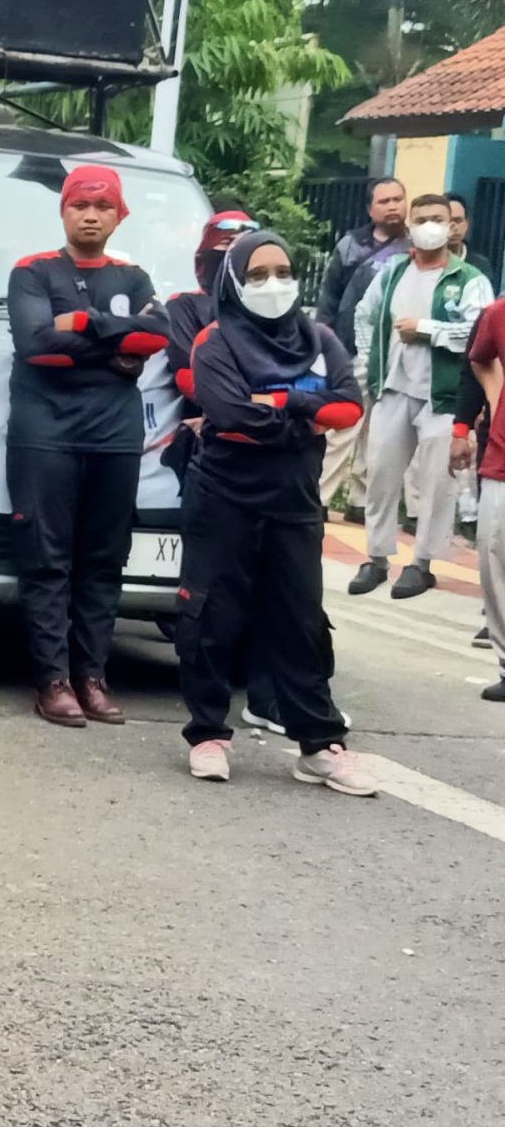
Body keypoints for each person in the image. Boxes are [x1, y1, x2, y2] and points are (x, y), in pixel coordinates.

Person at [174, 232, 374, 794]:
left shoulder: (320, 338)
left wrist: (283, 401)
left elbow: (348, 406)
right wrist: (306, 412)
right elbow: (230, 413)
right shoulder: (215, 342)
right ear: (234, 281)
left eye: (282, 271)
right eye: (257, 274)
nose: (273, 283)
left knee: (300, 620)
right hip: (224, 497)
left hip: (294, 501)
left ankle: (320, 745)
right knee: (213, 616)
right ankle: (208, 733)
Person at [5, 165, 167, 727]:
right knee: (47, 559)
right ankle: (51, 680)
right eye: (80, 205)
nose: (90, 215)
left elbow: (157, 337)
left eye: (102, 207)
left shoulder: (136, 278)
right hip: (44, 434)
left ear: (119, 215)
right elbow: (36, 344)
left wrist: (80, 325)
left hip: (115, 437)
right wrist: (115, 347)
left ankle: (91, 677)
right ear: (64, 210)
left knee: (103, 560)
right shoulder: (32, 272)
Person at [349, 191, 491, 599]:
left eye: (438, 218)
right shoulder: (393, 271)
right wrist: (371, 360)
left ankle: (422, 563)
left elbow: (479, 334)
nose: (430, 225)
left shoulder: (469, 280)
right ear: (409, 226)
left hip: (442, 396)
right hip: (393, 388)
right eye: (422, 218)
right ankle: (375, 557)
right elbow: (365, 313)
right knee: (380, 474)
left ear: (451, 226)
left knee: (436, 483)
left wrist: (427, 329)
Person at [317, 175, 408, 507]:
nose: (393, 206)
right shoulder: (350, 245)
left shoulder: (413, 247)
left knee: (379, 431)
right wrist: (324, 345)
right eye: (384, 201)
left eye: (398, 199)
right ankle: (322, 498)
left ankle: (360, 502)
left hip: (396, 354)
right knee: (343, 425)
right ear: (370, 208)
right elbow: (329, 298)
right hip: (350, 349)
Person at [454, 298, 505, 696]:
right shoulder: (498, 313)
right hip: (502, 458)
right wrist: (496, 397)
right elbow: (480, 357)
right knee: (494, 553)